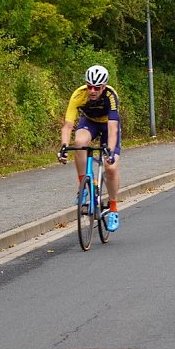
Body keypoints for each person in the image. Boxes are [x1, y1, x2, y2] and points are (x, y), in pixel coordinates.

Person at [58, 65, 121, 232]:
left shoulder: (111, 96)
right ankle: (83, 186)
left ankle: (113, 208)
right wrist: (63, 147)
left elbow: (113, 128)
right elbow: (67, 126)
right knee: (79, 142)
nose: (92, 90)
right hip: (90, 123)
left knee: (111, 168)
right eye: (89, 86)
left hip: (108, 126)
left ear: (104, 86)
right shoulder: (79, 95)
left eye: (97, 87)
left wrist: (111, 152)